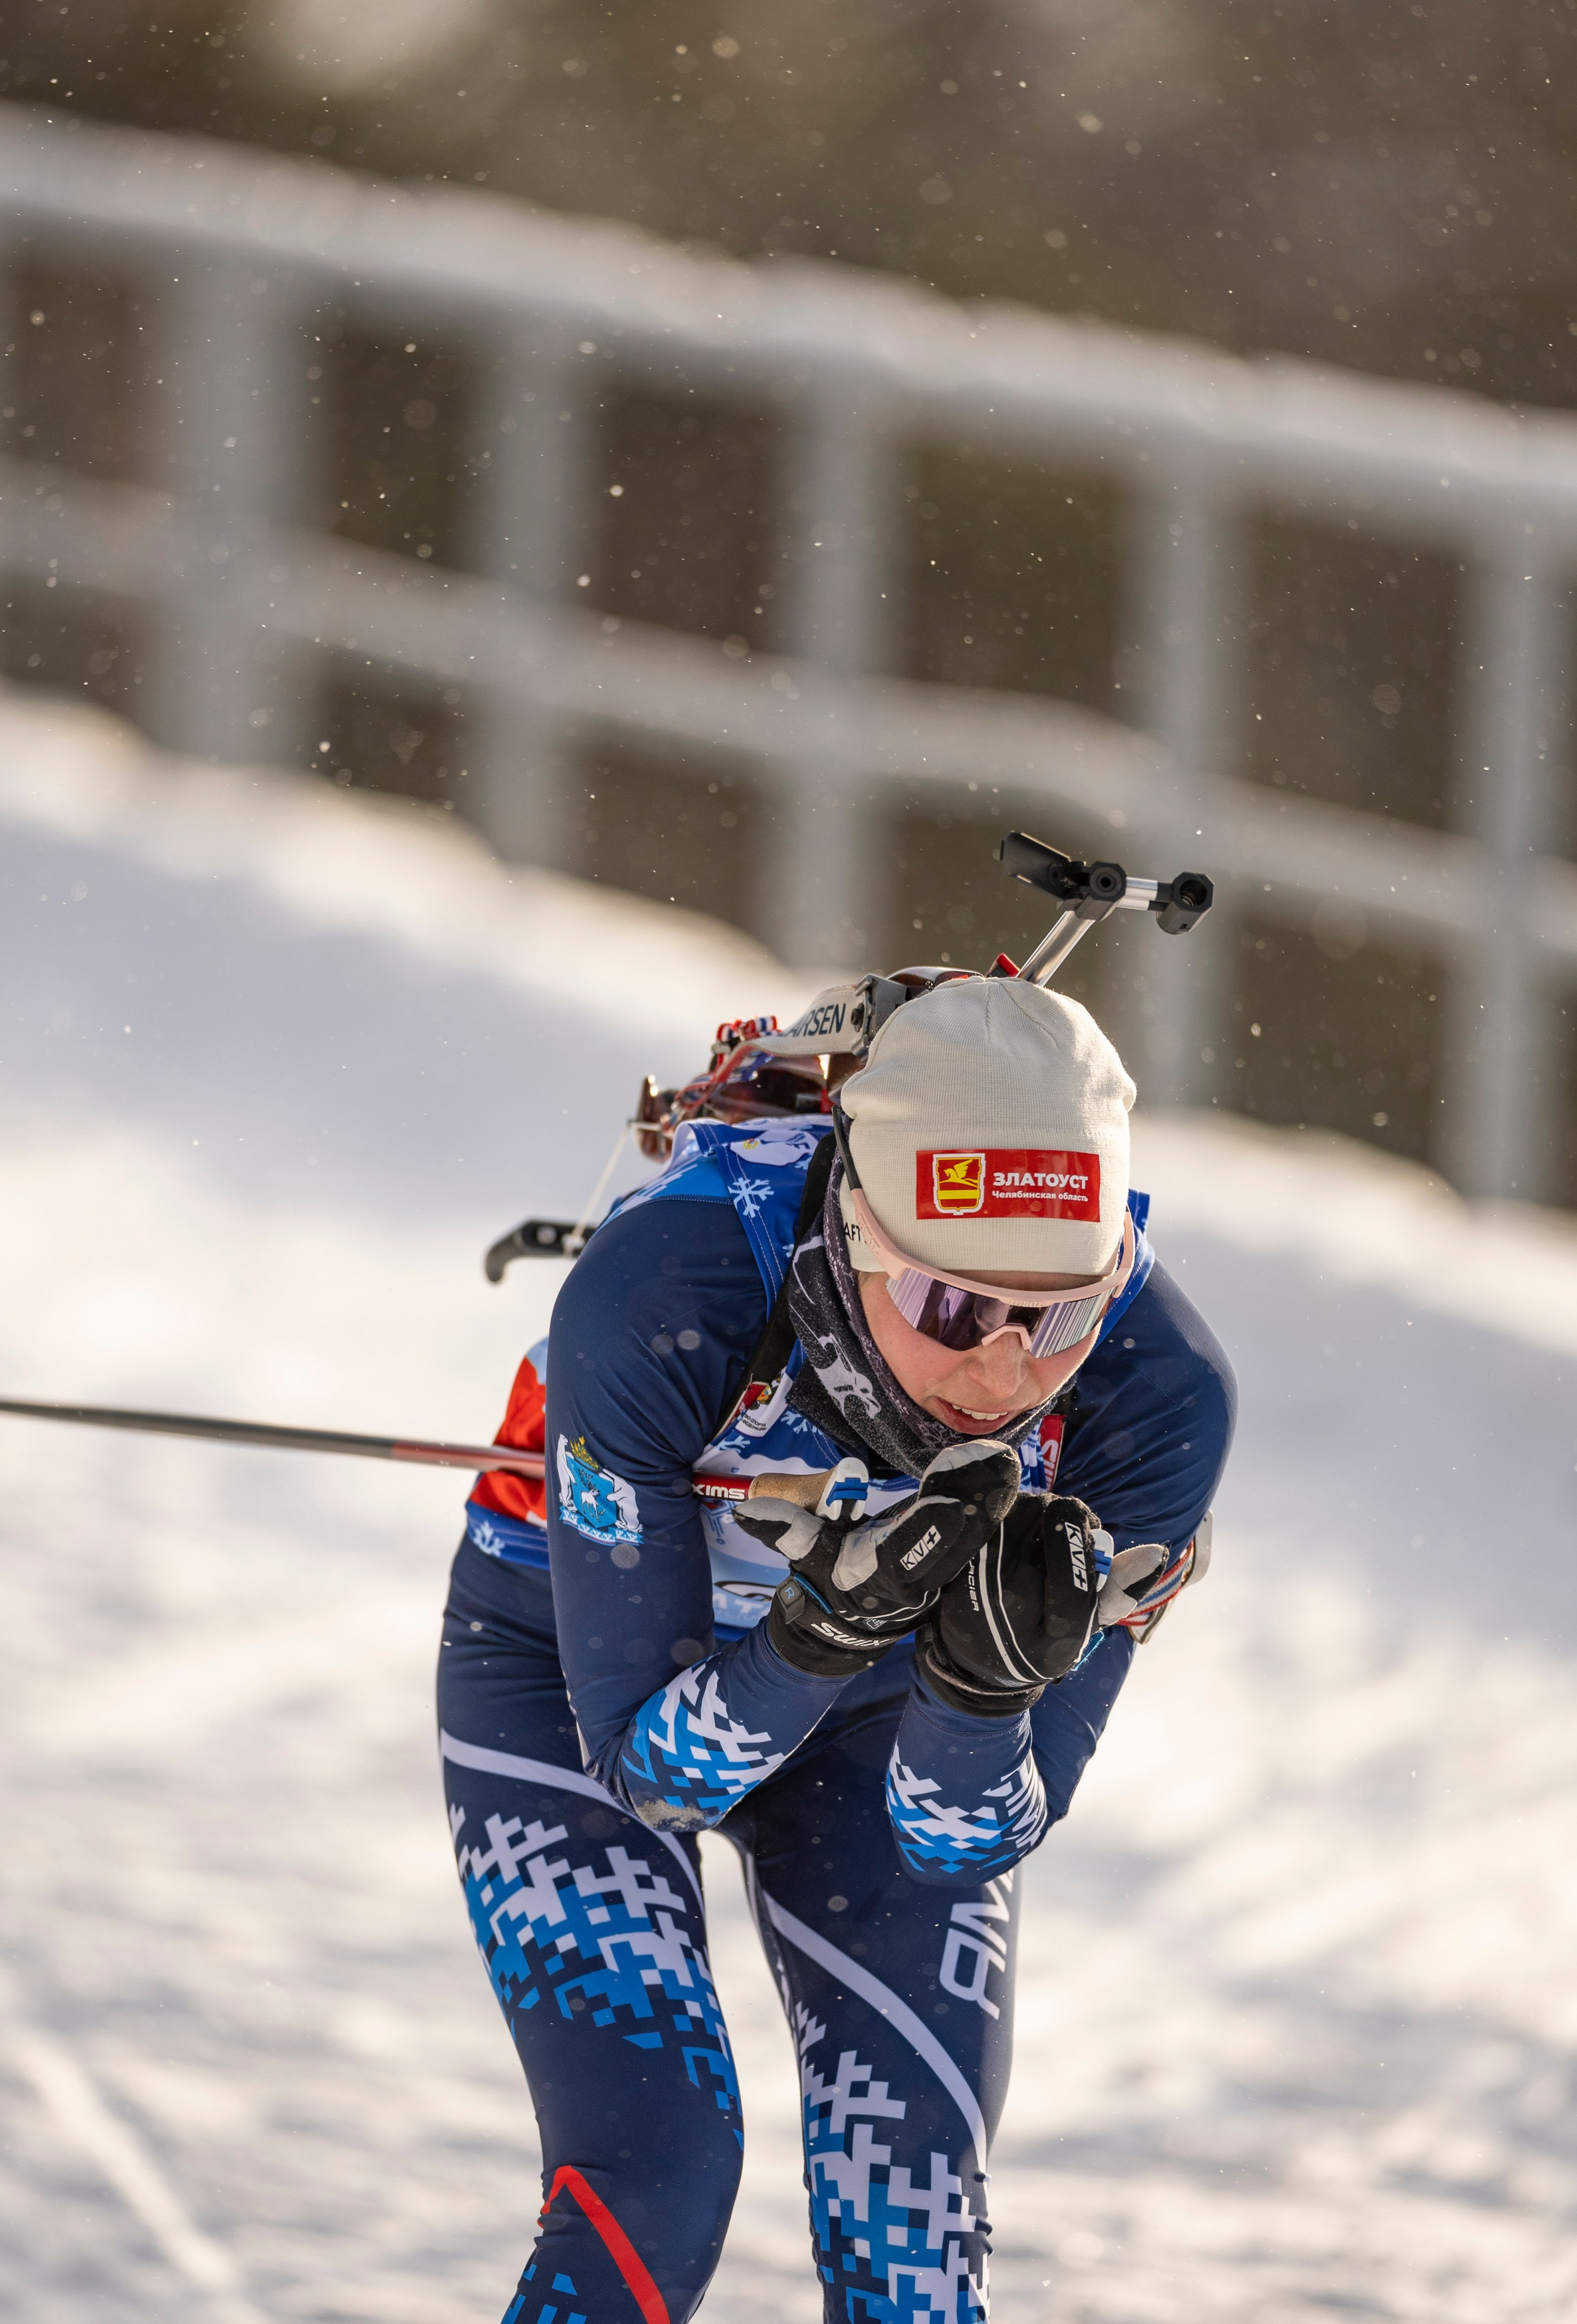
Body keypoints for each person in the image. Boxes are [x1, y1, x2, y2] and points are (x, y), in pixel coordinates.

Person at [439, 971, 1235, 2323]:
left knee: (909, 2225)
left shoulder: (1158, 1392)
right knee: (658, 2173)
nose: (1000, 1375)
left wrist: (976, 1693)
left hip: (873, 1710)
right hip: (567, 1664)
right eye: (951, 1311)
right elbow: (651, 1777)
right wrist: (817, 1636)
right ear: (857, 1230)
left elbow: (963, 1841)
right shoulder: (669, 1283)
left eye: (1056, 1317)